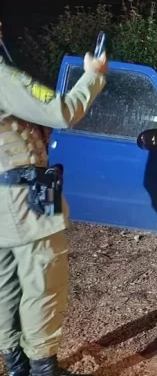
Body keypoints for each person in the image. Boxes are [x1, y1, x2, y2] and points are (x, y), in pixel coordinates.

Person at [0, 49, 108, 376]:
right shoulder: (3, 77)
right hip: (22, 203)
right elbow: (61, 112)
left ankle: (16, 365)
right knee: (42, 284)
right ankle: (42, 368)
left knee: (5, 288)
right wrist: (93, 75)